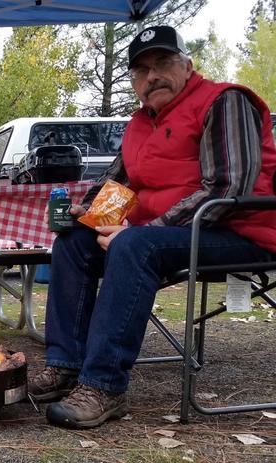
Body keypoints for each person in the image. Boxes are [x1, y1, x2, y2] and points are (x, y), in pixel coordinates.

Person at [28, 25, 276, 429]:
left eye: (162, 64)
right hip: (167, 236)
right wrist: (86, 214)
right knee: (73, 241)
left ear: (187, 65)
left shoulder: (224, 100)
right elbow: (117, 185)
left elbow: (228, 187)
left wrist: (143, 231)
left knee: (134, 245)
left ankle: (104, 386)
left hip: (241, 233)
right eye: (141, 71)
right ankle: (66, 365)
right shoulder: (140, 123)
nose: (151, 77)